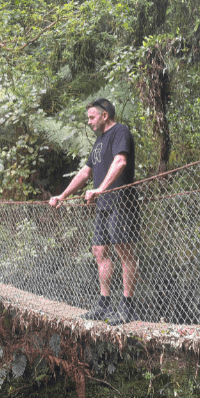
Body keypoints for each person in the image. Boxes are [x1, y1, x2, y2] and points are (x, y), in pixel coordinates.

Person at [49, 98, 140, 326]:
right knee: (100, 251)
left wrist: (100, 188)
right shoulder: (99, 142)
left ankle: (127, 307)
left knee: (124, 251)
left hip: (121, 201)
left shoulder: (121, 132)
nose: (89, 122)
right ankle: (104, 304)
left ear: (104, 115)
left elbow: (120, 162)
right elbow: (85, 172)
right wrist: (63, 195)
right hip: (104, 204)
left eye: (91, 117)